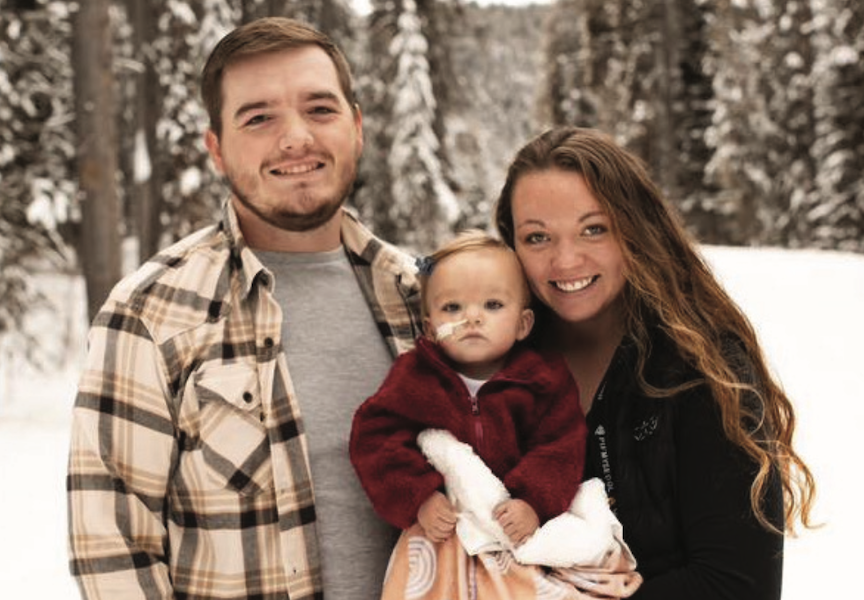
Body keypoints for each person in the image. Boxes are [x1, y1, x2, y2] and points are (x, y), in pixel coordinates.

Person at [67, 17, 421, 600]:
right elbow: (114, 555)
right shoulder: (151, 315)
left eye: (320, 109)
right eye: (259, 118)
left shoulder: (415, 296)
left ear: (356, 127)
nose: (296, 138)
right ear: (217, 149)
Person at [493, 126, 817, 600]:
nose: (565, 260)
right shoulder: (497, 365)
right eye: (537, 237)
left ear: (635, 229)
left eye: (593, 229)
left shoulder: (703, 369)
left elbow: (739, 585)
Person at [350, 231, 586, 547]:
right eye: (452, 307)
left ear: (523, 324)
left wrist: (533, 501)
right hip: (446, 533)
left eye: (492, 304)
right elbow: (375, 440)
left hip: (518, 530)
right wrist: (419, 496)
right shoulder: (415, 377)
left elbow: (561, 448)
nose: (472, 317)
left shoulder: (543, 380)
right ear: (430, 329)